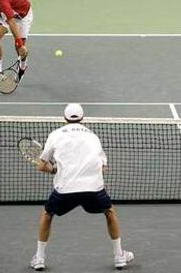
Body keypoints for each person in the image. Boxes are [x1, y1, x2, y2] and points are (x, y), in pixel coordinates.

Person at [30, 103, 134, 271]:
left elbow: (42, 166)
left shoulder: (55, 135)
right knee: (110, 212)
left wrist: (54, 169)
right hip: (93, 189)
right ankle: (119, 256)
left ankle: (39, 258)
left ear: (64, 118)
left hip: (65, 189)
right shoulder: (93, 136)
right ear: (82, 118)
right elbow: (103, 167)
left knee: (48, 214)